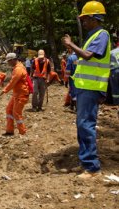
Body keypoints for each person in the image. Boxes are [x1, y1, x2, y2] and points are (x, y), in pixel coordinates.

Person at [62, 1, 111, 179]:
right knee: (82, 125)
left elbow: (89, 56)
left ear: (93, 18)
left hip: (91, 88)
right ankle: (86, 162)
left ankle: (91, 167)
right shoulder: (93, 36)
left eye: (84, 18)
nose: (83, 22)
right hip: (84, 87)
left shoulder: (102, 34)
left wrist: (71, 43)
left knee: (86, 125)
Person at [0, 53, 30, 136]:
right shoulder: (16, 68)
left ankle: (23, 132)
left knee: (16, 113)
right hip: (16, 94)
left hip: (21, 95)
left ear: (13, 60)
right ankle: (10, 130)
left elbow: (12, 82)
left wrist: (3, 91)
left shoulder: (18, 69)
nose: (8, 63)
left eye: (8, 61)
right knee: (9, 110)